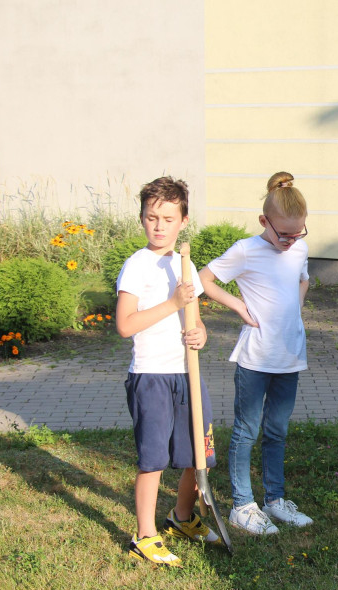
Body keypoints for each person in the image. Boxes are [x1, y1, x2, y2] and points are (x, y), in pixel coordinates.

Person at [198, 171, 313, 535]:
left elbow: (303, 277)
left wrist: (294, 309)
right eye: (285, 234)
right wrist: (237, 305)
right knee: (247, 430)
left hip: (290, 355)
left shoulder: (298, 248)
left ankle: (275, 501)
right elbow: (203, 279)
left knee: (277, 430)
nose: (292, 241)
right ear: (264, 221)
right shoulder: (246, 250)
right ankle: (242, 506)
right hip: (256, 357)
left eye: (299, 233)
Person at [115, 176, 222, 566]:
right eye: (151, 217)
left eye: (167, 218)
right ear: (142, 219)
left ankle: (181, 517)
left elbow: (193, 320)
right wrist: (173, 301)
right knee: (154, 458)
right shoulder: (137, 266)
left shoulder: (184, 266)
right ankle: (144, 535)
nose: (158, 226)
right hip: (151, 376)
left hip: (187, 375)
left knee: (199, 453)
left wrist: (201, 334)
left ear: (183, 221)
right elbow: (125, 325)